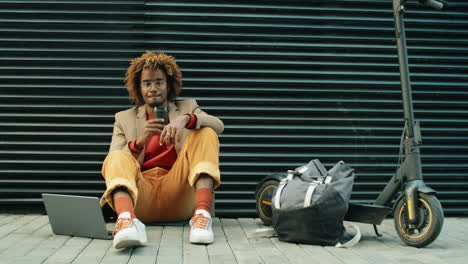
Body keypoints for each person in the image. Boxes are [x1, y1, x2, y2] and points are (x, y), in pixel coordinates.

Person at [99, 51, 224, 249]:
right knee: (116, 156)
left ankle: (201, 215)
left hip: (180, 194)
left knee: (206, 132)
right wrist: (139, 142)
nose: (153, 88)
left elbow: (219, 125)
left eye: (159, 82)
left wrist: (187, 120)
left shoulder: (187, 106)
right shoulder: (124, 118)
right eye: (147, 83)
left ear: (169, 85)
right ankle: (126, 220)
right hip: (141, 197)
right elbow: (114, 161)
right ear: (138, 88)